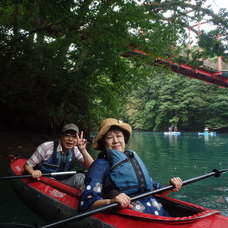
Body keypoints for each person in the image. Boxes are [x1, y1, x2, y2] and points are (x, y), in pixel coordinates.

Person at [79, 118, 182, 216]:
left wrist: (171, 186)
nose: (115, 141)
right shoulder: (100, 164)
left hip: (160, 214)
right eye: (109, 137)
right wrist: (111, 201)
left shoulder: (132, 159)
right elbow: (86, 202)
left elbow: (155, 190)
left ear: (124, 139)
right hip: (133, 216)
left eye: (119, 136)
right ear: (103, 143)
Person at [24, 123, 94, 190]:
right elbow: (27, 165)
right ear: (61, 136)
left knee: (80, 177)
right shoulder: (46, 147)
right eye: (67, 135)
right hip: (46, 181)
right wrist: (32, 172)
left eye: (74, 136)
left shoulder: (75, 150)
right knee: (52, 180)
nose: (71, 139)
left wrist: (83, 149)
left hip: (65, 181)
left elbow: (93, 167)